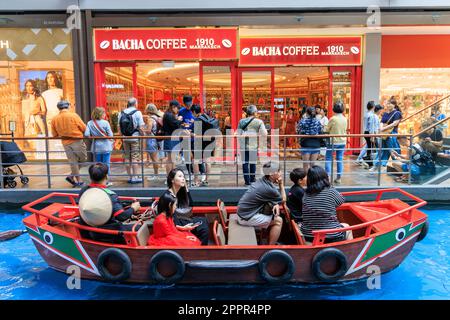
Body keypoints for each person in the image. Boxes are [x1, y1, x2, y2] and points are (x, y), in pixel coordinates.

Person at [78, 163, 141, 243]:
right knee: (141, 228)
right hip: (107, 232)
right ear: (107, 176)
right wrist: (133, 208)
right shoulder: (110, 195)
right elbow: (122, 216)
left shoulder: (84, 191)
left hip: (88, 230)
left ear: (90, 177)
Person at [237, 161, 286, 245]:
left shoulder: (262, 180)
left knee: (272, 215)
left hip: (242, 213)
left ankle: (268, 239)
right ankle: (270, 248)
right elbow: (284, 199)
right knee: (279, 221)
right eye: (278, 171)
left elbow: (270, 198)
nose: (280, 173)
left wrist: (276, 204)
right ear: (271, 174)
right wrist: (281, 184)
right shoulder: (269, 188)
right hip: (246, 218)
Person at [300, 165, 353, 243]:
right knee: (347, 227)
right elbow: (341, 200)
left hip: (308, 235)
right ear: (325, 177)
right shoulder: (330, 191)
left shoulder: (305, 194)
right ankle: (349, 252)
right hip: (331, 235)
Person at [158, 168, 209, 245]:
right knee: (203, 229)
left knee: (203, 220)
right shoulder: (167, 197)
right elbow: (167, 222)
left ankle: (200, 247)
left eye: (183, 177)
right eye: (180, 176)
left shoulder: (179, 192)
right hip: (175, 224)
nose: (183, 179)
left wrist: (186, 189)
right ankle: (200, 250)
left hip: (179, 220)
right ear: (172, 180)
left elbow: (191, 204)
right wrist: (183, 227)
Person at [51, 100, 87, 187]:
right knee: (83, 159)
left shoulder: (54, 119)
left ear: (59, 108)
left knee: (73, 162)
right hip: (77, 140)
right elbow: (84, 128)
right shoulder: (73, 115)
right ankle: (76, 178)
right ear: (68, 106)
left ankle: (74, 178)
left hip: (65, 142)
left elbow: (54, 134)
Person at [237, 105, 268, 186]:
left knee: (245, 163)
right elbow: (265, 133)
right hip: (253, 146)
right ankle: (252, 179)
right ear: (254, 113)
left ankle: (247, 182)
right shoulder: (259, 122)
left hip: (243, 146)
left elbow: (238, 133)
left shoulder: (241, 121)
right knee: (252, 163)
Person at [370, 98, 402, 173]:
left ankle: (401, 168)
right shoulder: (385, 113)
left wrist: (383, 129)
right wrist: (381, 128)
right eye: (387, 103)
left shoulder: (397, 113)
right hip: (384, 135)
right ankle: (376, 166)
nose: (388, 105)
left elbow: (395, 124)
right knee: (382, 151)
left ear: (394, 104)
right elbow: (382, 122)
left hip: (392, 135)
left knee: (394, 151)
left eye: (389, 103)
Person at [84, 106, 113, 185]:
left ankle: (98, 180)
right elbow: (110, 135)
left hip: (96, 146)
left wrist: (94, 137)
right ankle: (107, 181)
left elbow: (86, 134)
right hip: (106, 146)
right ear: (101, 114)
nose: (105, 114)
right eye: (104, 113)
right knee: (106, 164)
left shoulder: (90, 123)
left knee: (98, 164)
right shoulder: (105, 123)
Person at [118, 97, 145, 184]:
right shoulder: (137, 113)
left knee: (127, 157)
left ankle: (130, 177)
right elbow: (141, 127)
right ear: (135, 104)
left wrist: (121, 136)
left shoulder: (121, 113)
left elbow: (119, 128)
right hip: (135, 137)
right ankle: (135, 177)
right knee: (135, 157)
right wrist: (143, 135)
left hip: (125, 138)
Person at [324, 101, 348, 185]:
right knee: (339, 159)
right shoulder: (345, 118)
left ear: (334, 109)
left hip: (333, 141)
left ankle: (327, 177)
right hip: (343, 141)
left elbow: (326, 130)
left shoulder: (333, 118)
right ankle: (339, 178)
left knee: (328, 158)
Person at [21, 79, 47, 154]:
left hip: (37, 122)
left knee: (39, 143)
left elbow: (44, 111)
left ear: (34, 87)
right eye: (27, 86)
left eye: (30, 86)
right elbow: (23, 113)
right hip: (27, 123)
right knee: (30, 143)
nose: (28, 88)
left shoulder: (39, 98)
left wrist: (37, 112)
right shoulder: (24, 99)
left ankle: (41, 159)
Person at [162, 100, 185, 174]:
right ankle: (169, 177)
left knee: (172, 159)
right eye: (177, 108)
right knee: (170, 159)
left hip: (171, 138)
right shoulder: (169, 115)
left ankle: (172, 176)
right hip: (170, 138)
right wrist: (178, 120)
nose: (178, 110)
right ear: (173, 107)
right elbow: (175, 125)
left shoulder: (169, 114)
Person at [297, 106, 322, 171]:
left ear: (306, 113)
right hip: (316, 144)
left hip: (305, 143)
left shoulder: (302, 121)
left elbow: (299, 131)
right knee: (313, 165)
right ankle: (312, 179)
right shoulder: (317, 122)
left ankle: (305, 180)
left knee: (305, 165)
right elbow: (320, 131)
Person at [143, 103, 163, 181]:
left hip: (151, 139)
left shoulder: (150, 119)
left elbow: (149, 130)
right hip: (156, 139)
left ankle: (156, 174)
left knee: (154, 158)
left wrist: (142, 129)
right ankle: (156, 174)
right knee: (155, 158)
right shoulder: (157, 117)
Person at [42, 71, 63, 136]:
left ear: (55, 78)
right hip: (49, 118)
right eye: (48, 78)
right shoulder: (44, 94)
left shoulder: (61, 91)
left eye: (51, 77)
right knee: (51, 136)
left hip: (59, 116)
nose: (50, 79)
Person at [361, 101, 378, 169]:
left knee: (369, 147)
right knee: (372, 148)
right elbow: (371, 126)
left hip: (366, 132)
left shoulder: (366, 114)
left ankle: (368, 162)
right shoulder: (372, 115)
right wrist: (372, 136)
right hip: (370, 133)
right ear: (373, 107)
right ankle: (370, 162)